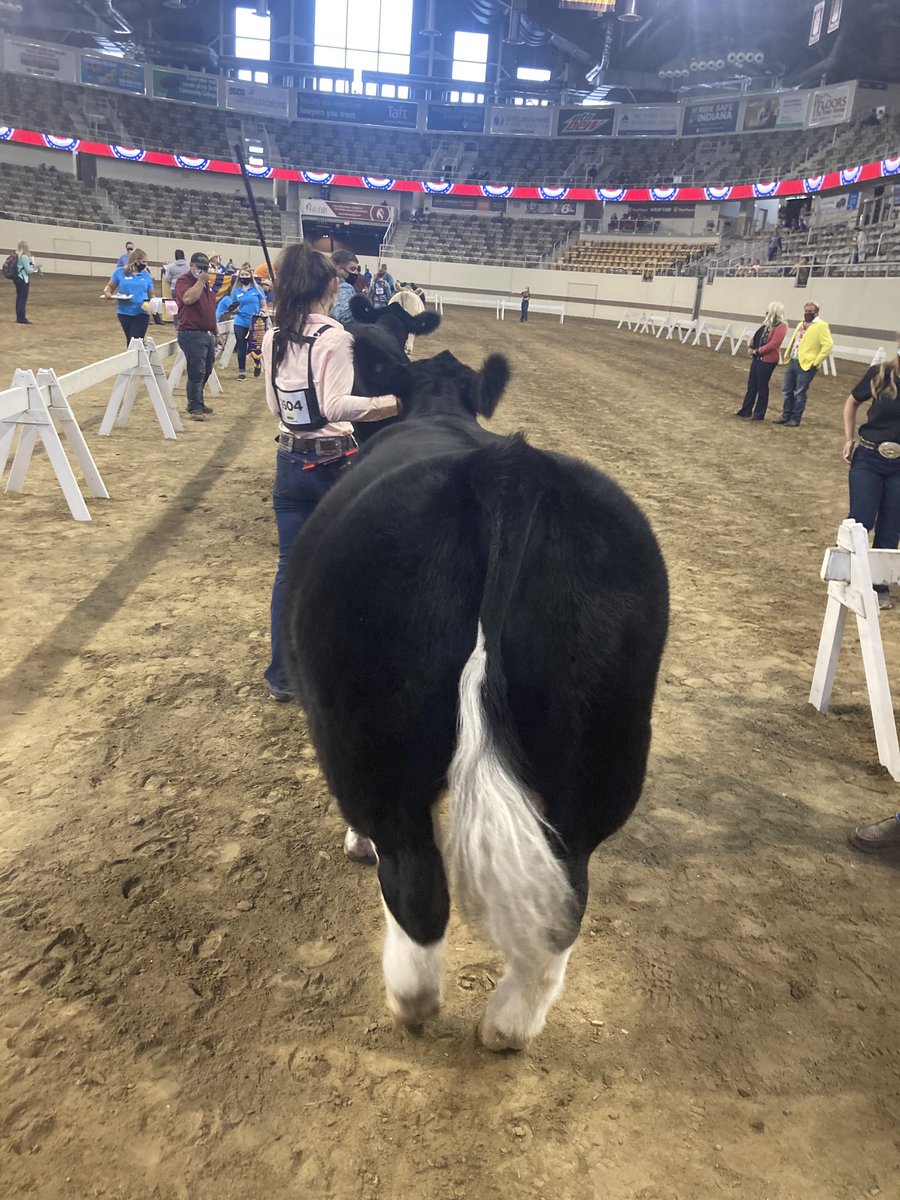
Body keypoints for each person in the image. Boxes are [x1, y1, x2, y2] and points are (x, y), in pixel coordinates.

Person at [260, 243, 399, 701]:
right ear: (330, 286)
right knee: (353, 565)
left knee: (290, 569)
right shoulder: (334, 337)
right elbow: (336, 406)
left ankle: (282, 674)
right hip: (334, 462)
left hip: (289, 461)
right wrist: (393, 403)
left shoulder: (274, 335)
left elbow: (274, 405)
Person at [841, 344, 900, 611]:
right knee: (860, 520)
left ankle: (879, 585)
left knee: (892, 526)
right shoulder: (880, 374)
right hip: (869, 457)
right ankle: (848, 576)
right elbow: (852, 402)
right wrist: (848, 439)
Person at [174, 251, 219, 422]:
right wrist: (200, 282)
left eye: (205, 268)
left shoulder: (206, 286)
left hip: (206, 333)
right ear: (191, 265)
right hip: (191, 333)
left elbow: (209, 310)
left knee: (206, 369)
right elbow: (188, 299)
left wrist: (216, 332)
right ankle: (195, 406)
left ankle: (197, 400)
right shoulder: (184, 281)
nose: (203, 271)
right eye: (200, 267)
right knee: (196, 371)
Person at [774, 301, 833, 427]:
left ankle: (795, 419)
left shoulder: (821, 326)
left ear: (816, 312)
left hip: (806, 364)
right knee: (787, 390)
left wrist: (816, 362)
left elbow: (828, 345)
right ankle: (785, 416)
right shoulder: (801, 324)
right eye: (806, 311)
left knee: (799, 393)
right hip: (793, 360)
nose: (807, 313)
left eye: (810, 311)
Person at [735, 302, 787, 421]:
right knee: (752, 385)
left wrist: (758, 351)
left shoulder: (781, 327)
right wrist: (751, 346)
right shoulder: (766, 324)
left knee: (762, 386)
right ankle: (746, 410)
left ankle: (759, 413)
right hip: (757, 358)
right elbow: (756, 336)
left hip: (768, 360)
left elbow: (774, 344)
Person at [216, 263, 267, 380]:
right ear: (239, 277)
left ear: (251, 276)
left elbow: (263, 305)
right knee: (241, 346)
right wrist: (233, 308)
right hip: (240, 321)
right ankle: (241, 372)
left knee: (254, 346)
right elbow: (234, 305)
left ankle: (257, 362)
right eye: (242, 275)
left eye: (246, 275)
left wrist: (262, 311)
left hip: (254, 322)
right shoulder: (236, 291)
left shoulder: (257, 289)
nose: (244, 277)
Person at [102, 247, 154, 345]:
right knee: (130, 339)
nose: (145, 264)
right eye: (143, 262)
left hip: (142, 312)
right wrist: (107, 293)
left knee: (135, 339)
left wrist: (155, 302)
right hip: (124, 312)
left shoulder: (146, 275)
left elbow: (151, 294)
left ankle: (136, 354)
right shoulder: (119, 272)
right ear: (136, 261)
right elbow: (110, 286)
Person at [329, 249, 361, 325]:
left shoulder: (321, 284)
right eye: (352, 269)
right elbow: (343, 317)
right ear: (338, 269)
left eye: (357, 269)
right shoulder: (346, 288)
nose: (356, 273)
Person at [13, 240, 37, 325]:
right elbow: (28, 270)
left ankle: (19, 317)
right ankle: (21, 318)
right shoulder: (24, 257)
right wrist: (36, 268)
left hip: (17, 278)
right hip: (23, 279)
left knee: (19, 298)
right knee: (22, 299)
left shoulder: (17, 255)